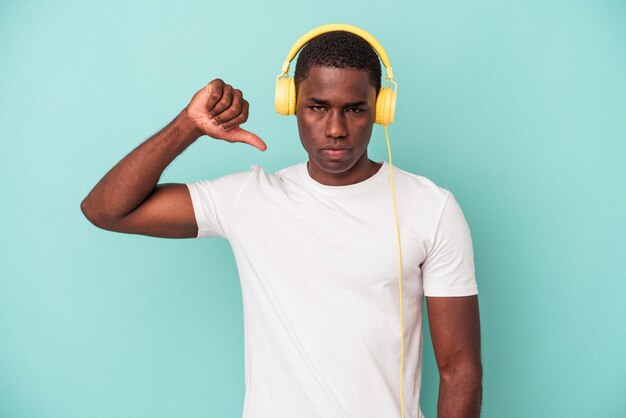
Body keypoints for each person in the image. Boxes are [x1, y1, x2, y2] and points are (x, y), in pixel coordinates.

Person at [81, 29, 482, 418]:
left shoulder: (432, 208)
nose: (336, 129)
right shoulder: (250, 198)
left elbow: (458, 367)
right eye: (318, 107)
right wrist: (188, 125)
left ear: (380, 107)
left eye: (355, 109)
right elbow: (105, 209)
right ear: (291, 103)